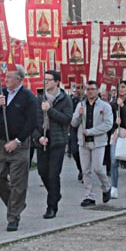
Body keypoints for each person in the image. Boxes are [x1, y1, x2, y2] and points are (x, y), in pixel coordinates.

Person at [0, 65, 37, 232]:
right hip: (0, 142)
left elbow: (32, 121)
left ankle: (13, 216)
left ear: (19, 79)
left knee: (18, 181)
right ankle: (16, 203)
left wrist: (17, 141)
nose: (6, 79)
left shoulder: (27, 96)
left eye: (10, 76)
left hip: (19, 143)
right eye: (6, 76)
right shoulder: (0, 92)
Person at [36, 70, 73, 219]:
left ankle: (51, 206)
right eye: (44, 80)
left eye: (49, 80)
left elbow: (67, 119)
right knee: (42, 172)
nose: (46, 82)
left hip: (57, 140)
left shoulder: (65, 99)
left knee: (53, 174)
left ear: (57, 82)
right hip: (43, 139)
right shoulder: (39, 98)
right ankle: (55, 193)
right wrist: (38, 137)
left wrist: (50, 110)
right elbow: (34, 121)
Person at [70, 80, 113, 206]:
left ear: (97, 90)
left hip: (98, 141)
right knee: (85, 170)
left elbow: (108, 124)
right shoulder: (81, 105)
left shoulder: (105, 106)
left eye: (92, 89)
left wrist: (91, 131)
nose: (90, 92)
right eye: (88, 89)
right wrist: (79, 115)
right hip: (83, 142)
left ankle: (106, 186)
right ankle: (89, 195)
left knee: (98, 168)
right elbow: (73, 123)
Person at [66, 82, 83, 181]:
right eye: (76, 88)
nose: (77, 90)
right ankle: (80, 169)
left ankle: (85, 171)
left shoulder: (85, 100)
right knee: (75, 151)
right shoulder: (70, 99)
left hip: (83, 126)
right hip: (73, 126)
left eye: (79, 88)